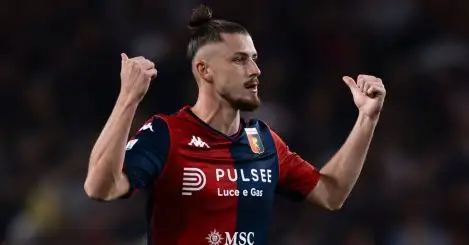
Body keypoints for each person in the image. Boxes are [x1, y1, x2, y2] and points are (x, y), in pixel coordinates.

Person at [84, 5, 386, 245]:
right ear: (205, 70)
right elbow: (100, 187)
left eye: (254, 59)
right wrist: (127, 99)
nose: (256, 70)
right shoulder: (166, 133)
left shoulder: (264, 141)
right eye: (240, 59)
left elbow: (331, 194)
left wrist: (367, 119)